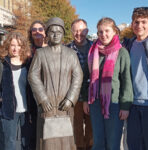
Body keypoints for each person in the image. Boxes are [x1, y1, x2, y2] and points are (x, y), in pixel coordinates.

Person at [28, 17, 83, 150]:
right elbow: (32, 75)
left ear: (63, 34)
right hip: (47, 106)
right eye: (52, 31)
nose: (56, 34)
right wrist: (42, 98)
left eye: (59, 32)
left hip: (65, 106)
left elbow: (78, 76)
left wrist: (70, 99)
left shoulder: (71, 54)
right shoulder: (41, 54)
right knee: (47, 142)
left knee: (66, 141)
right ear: (47, 34)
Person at [83, 17, 133, 150]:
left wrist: (125, 106)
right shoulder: (93, 51)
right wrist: (85, 100)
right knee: (98, 142)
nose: (103, 34)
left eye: (107, 31)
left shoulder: (122, 52)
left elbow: (127, 81)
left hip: (114, 105)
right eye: (100, 32)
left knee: (113, 143)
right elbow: (87, 78)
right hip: (95, 103)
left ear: (115, 32)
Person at [122, 7, 148, 150]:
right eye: (136, 22)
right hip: (132, 104)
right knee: (133, 145)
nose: (139, 26)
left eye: (144, 22)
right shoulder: (128, 45)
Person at [0, 32, 31, 150]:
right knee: (9, 142)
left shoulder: (28, 64)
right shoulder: (3, 64)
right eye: (12, 45)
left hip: (27, 111)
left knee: (26, 141)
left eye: (19, 45)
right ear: (8, 45)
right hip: (8, 110)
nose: (15, 48)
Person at [67, 18, 93, 150]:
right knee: (76, 128)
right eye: (76, 31)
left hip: (92, 94)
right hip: (74, 96)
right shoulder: (66, 50)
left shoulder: (95, 47)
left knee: (91, 128)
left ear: (87, 31)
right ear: (72, 32)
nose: (79, 34)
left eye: (82, 30)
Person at [28, 20, 47, 150]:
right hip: (30, 93)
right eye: (34, 30)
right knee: (33, 126)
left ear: (45, 32)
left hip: (47, 92)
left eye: (40, 29)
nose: (37, 32)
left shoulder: (51, 49)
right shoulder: (27, 51)